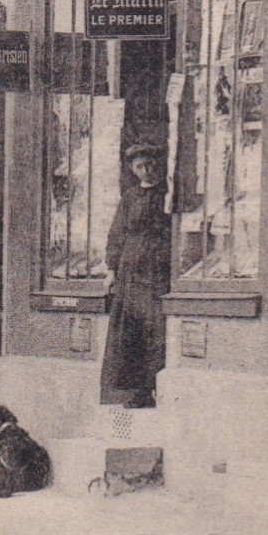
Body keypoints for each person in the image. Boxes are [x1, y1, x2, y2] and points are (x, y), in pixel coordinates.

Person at [103, 143, 171, 409]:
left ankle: (153, 385)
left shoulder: (166, 194)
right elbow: (117, 232)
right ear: (132, 169)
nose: (146, 171)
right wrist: (111, 269)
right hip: (131, 272)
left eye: (150, 164)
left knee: (155, 328)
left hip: (157, 272)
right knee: (132, 331)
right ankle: (137, 390)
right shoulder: (130, 197)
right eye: (139, 166)